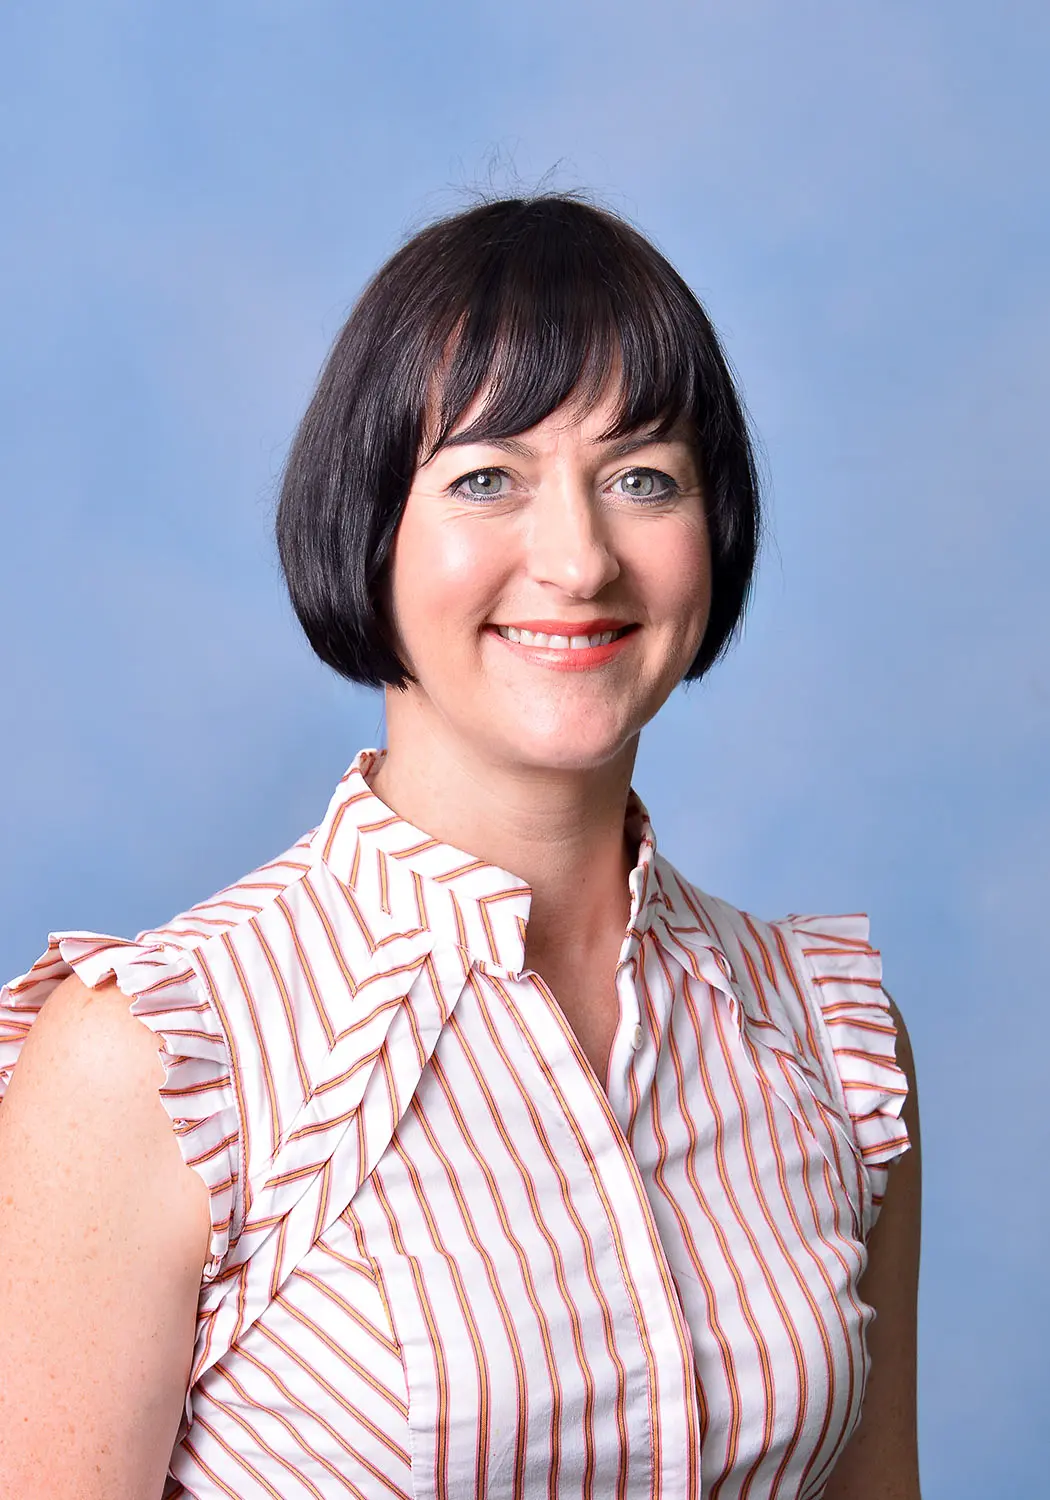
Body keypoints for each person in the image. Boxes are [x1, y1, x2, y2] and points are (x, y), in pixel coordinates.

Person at [0, 195, 921, 1500]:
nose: (578, 561)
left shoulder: (825, 1041)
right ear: (367, 525)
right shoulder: (154, 1061)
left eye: (643, 478)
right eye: (486, 478)